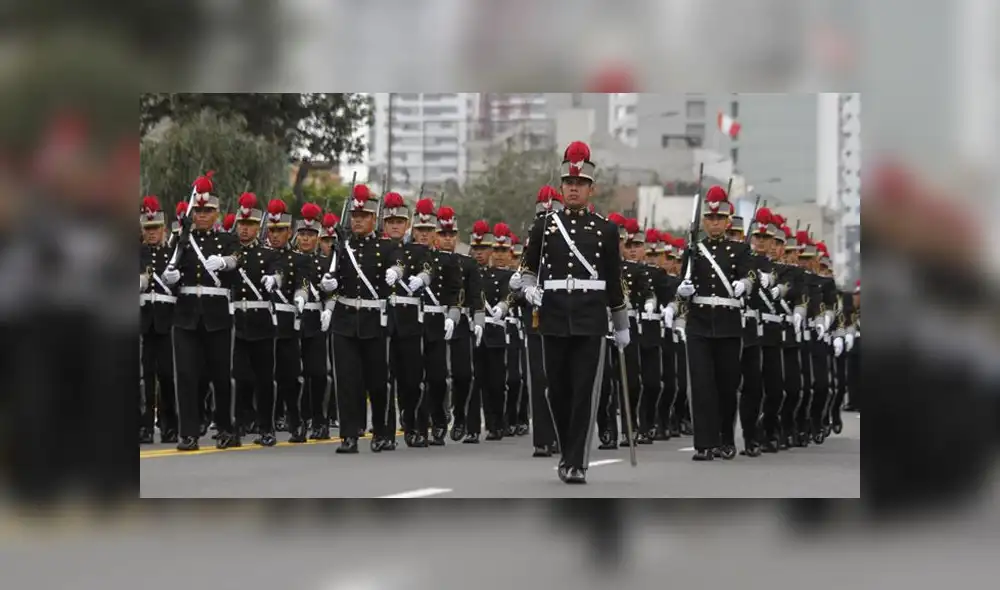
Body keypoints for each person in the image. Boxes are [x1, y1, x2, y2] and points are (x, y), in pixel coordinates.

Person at [521, 141, 627, 484]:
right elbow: (528, 268)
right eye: (568, 183)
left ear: (590, 188)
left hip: (590, 321)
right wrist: (528, 287)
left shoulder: (606, 230)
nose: (573, 188)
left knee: (585, 392)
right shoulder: (544, 226)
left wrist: (621, 323)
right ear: (561, 185)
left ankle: (576, 461)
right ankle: (567, 450)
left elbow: (614, 281)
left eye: (580, 184)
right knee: (558, 391)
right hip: (552, 318)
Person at [673, 184, 755, 461]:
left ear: (728, 220)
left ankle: (725, 437)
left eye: (719, 218)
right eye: (710, 219)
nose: (714, 223)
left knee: (726, 386)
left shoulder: (740, 250)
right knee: (702, 384)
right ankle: (704, 444)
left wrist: (744, 284)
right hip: (699, 324)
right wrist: (682, 291)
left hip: (728, 325)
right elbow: (682, 285)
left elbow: (751, 277)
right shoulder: (694, 251)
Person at [161, 171, 241, 451]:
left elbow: (238, 262)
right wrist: (170, 278)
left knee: (220, 375)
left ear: (217, 213)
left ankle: (227, 428)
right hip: (185, 315)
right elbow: (168, 270)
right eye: (199, 210)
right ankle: (188, 432)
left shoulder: (228, 240)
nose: (203, 215)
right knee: (185, 375)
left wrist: (225, 262)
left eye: (208, 211)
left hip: (216, 315)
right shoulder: (181, 241)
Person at [323, 184, 401, 453]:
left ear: (373, 219)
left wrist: (395, 273)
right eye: (354, 216)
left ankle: (381, 431)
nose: (357, 220)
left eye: (363, 216)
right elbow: (330, 275)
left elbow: (397, 263)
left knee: (378, 381)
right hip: (345, 319)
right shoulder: (341, 246)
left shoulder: (386, 246)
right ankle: (349, 435)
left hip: (373, 319)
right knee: (346, 379)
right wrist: (328, 284)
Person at [509, 186, 561, 457]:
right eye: (542, 214)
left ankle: (563, 434)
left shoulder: (572, 243)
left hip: (565, 314)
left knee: (562, 378)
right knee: (539, 378)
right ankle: (543, 438)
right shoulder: (532, 244)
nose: (547, 219)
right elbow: (519, 287)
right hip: (537, 317)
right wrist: (519, 288)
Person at [409, 198, 462, 446]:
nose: (423, 235)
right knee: (415, 375)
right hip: (410, 320)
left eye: (428, 231)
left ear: (435, 234)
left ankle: (439, 418)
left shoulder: (448, 260)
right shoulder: (403, 256)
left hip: (436, 319)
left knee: (438, 376)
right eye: (419, 230)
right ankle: (419, 427)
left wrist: (452, 315)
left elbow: (454, 293)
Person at [229, 193, 280, 446]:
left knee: (264, 379)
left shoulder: (267, 254)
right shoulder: (229, 253)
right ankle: (238, 424)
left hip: (261, 322)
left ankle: (266, 427)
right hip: (237, 322)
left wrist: (274, 280)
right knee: (239, 376)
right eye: (241, 224)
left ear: (258, 227)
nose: (245, 229)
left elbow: (277, 273)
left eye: (249, 225)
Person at [264, 199, 311, 443]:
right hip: (261, 323)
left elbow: (303, 283)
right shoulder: (259, 256)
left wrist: (301, 298)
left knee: (289, 377)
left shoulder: (298, 259)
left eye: (280, 230)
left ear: (289, 232)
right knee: (263, 377)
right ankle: (265, 426)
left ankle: (296, 421)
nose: (275, 235)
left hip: (286, 323)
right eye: (271, 230)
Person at [433, 206, 480, 443]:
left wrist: (478, 321)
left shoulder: (468, 264)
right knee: (438, 375)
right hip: (433, 320)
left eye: (451, 235)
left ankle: (460, 415)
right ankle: (439, 420)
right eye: (443, 234)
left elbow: (475, 297)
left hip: (460, 321)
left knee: (463, 374)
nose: (447, 239)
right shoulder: (427, 260)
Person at [293, 203, 333, 440]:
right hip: (291, 319)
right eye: (303, 234)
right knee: (292, 374)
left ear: (318, 238)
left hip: (316, 320)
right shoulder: (287, 259)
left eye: (311, 235)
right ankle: (298, 420)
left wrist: (329, 307)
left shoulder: (326, 264)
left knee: (317, 373)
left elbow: (333, 292)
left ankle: (319, 419)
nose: (306, 239)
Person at [139, 196, 177, 444]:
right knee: (146, 375)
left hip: (167, 321)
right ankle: (144, 426)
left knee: (166, 374)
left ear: (163, 229)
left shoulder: (173, 253)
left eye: (155, 228)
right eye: (148, 228)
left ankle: (170, 425)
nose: (152, 233)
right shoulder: (136, 252)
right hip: (143, 320)